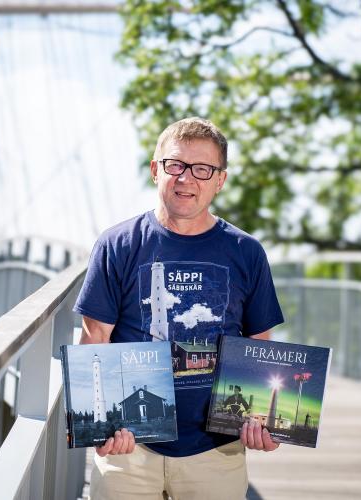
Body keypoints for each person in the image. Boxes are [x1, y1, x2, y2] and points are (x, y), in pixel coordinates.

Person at [74, 117, 284, 500]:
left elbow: (259, 344)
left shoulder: (245, 251)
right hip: (129, 446)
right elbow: (95, 339)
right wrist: (98, 427)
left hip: (216, 448)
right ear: (156, 171)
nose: (187, 178)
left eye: (203, 169)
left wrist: (262, 423)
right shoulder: (117, 244)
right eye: (176, 165)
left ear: (220, 180)